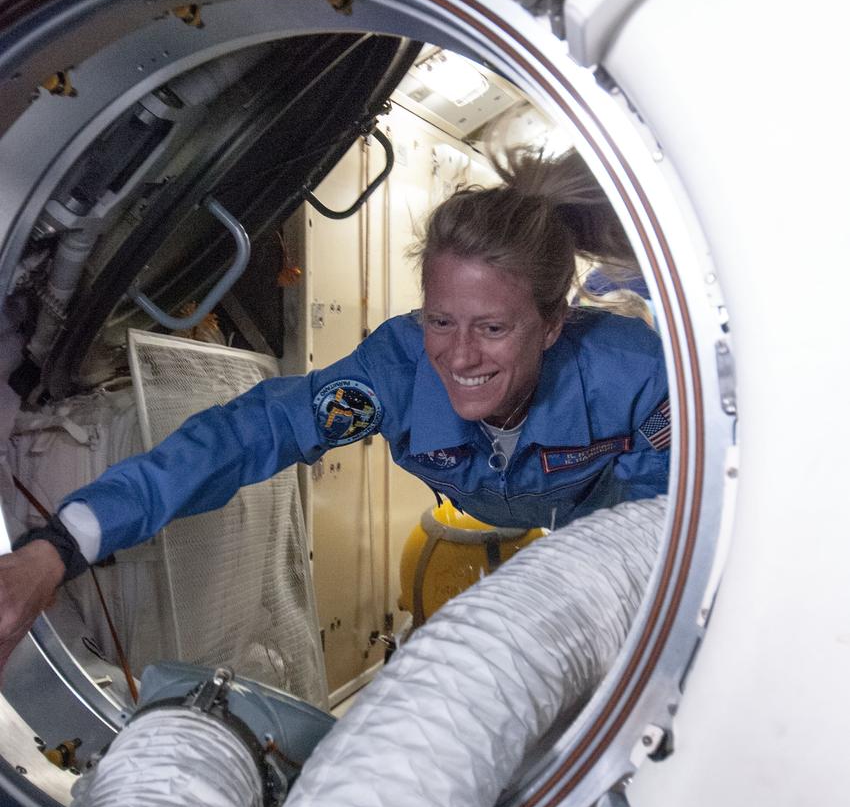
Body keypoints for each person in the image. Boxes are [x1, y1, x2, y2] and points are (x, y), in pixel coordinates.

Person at [0, 150, 670, 677]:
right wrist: (58, 547)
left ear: (554, 324)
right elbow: (247, 434)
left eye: (493, 328)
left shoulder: (638, 379)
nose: (459, 356)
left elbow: (656, 540)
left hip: (606, 534)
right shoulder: (396, 373)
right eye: (440, 319)